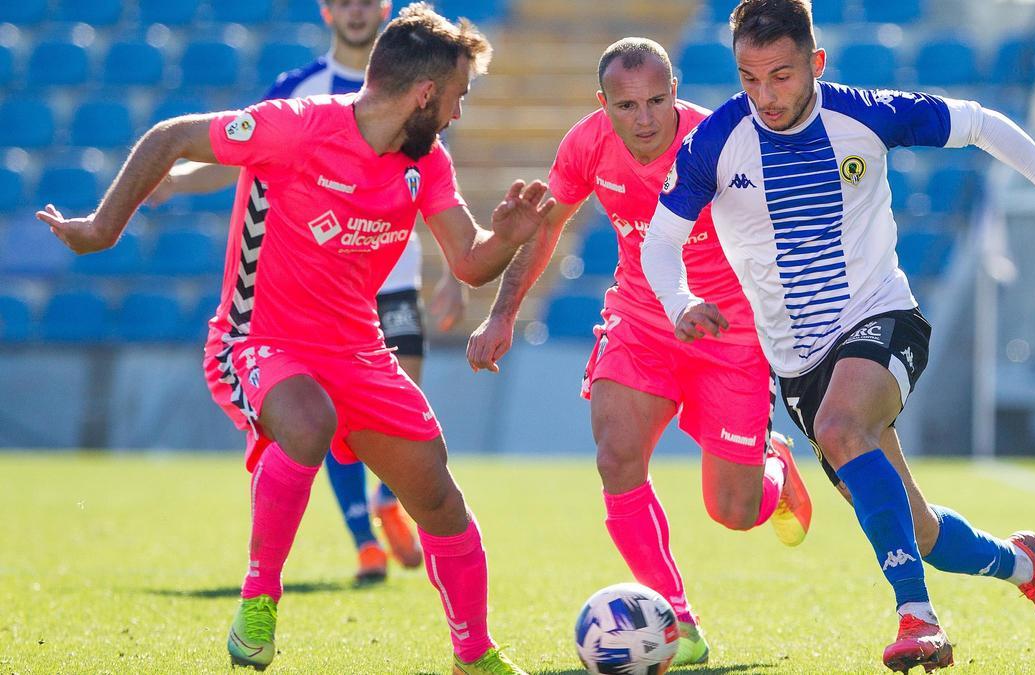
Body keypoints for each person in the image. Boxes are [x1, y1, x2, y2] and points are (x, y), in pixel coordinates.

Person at [38, 4, 549, 673]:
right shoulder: (298, 127)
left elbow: (468, 261)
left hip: (358, 351)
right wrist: (102, 228)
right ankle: (259, 597)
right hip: (255, 339)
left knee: (437, 496)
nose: (456, 113)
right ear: (425, 94)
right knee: (308, 422)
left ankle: (474, 652)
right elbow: (170, 137)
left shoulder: (427, 162)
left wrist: (506, 239)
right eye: (456, 97)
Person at [642, 0, 1035, 671]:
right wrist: (679, 301)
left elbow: (982, 124)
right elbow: (660, 243)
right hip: (797, 369)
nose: (765, 94)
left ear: (816, 64)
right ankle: (1025, 566)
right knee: (921, 531)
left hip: (883, 321)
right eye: (750, 77)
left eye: (783, 76)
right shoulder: (715, 143)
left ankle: (917, 617)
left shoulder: (864, 113)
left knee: (842, 427)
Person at [465, 37, 813, 665]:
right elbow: (549, 224)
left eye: (657, 100)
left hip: (726, 334)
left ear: (676, 91)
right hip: (640, 320)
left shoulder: (721, 144)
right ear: (604, 105)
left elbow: (783, 232)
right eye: (627, 106)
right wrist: (502, 313)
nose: (645, 119)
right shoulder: (585, 143)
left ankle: (775, 468)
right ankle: (678, 623)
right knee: (616, 457)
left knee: (732, 512)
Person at [148, 0, 456, 583]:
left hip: (393, 274)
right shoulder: (302, 90)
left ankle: (391, 499)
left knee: (394, 408)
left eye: (367, 1)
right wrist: (180, 179)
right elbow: (246, 153)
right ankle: (365, 536)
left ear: (384, 10)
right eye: (345, 1)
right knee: (326, 411)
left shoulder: (426, 92)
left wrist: (453, 279)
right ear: (327, 11)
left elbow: (437, 187)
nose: (357, 11)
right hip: (317, 286)